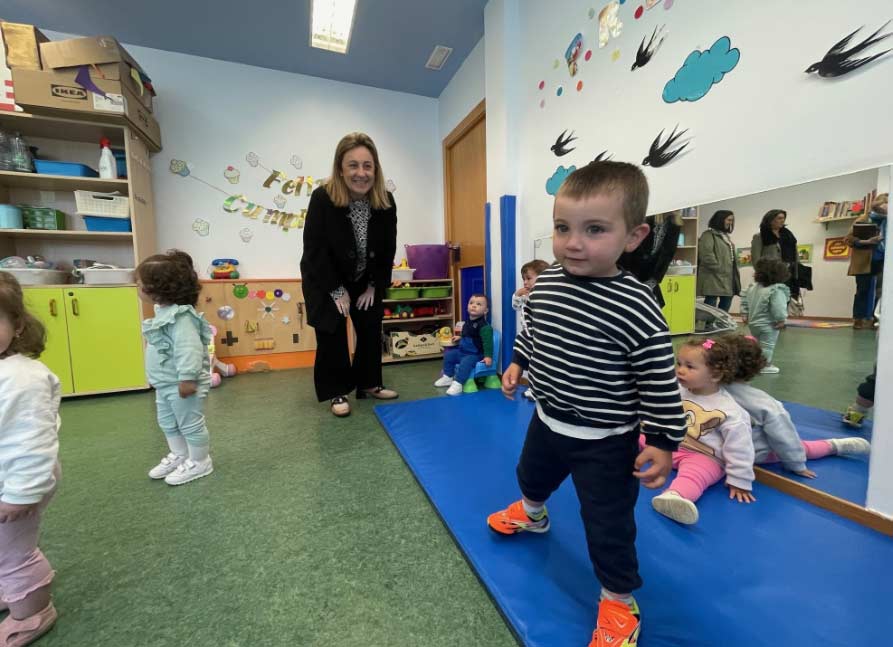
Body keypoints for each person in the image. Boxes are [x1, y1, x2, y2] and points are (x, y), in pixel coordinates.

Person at [487, 162, 686, 647]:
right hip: (548, 418)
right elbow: (535, 332)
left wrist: (662, 441)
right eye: (562, 228)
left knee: (607, 523)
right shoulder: (548, 284)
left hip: (605, 440)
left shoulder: (637, 305)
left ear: (634, 236)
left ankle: (619, 600)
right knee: (530, 476)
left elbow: (659, 379)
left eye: (594, 230)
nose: (573, 243)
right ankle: (533, 514)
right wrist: (519, 362)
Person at [300, 132, 398, 417]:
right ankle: (336, 391)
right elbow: (314, 249)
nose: (361, 173)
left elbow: (388, 248)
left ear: (375, 169)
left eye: (367, 165)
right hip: (326, 276)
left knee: (369, 325)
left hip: (365, 277)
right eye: (353, 165)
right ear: (340, 169)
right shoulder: (323, 197)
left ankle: (369, 384)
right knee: (331, 331)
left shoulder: (385, 200)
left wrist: (373, 286)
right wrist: (335, 290)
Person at [0, 272, 60, 645]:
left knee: (14, 550)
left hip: (18, 481)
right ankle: (10, 585)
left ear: (17, 325)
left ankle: (34, 611)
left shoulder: (22, 377)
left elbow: (33, 440)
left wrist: (21, 493)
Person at [723, 336, 869, 477]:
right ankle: (833, 446)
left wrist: (796, 462)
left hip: (735, 452)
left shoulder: (707, 390)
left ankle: (835, 446)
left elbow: (784, 438)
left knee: (799, 447)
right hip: (750, 453)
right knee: (803, 447)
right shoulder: (765, 404)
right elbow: (784, 438)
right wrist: (796, 464)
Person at [649, 337, 755, 526]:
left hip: (703, 456)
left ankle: (675, 496)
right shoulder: (679, 389)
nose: (680, 370)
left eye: (690, 367)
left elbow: (740, 448)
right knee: (639, 436)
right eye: (679, 363)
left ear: (714, 375)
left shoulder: (729, 411)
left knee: (694, 474)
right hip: (673, 445)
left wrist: (739, 479)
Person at [137, 250, 214, 486]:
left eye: (139, 284)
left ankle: (200, 461)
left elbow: (188, 349)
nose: (137, 287)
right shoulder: (164, 312)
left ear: (157, 289)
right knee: (168, 422)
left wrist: (188, 379)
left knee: (190, 423)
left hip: (181, 384)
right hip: (165, 383)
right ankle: (181, 455)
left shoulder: (181, 317)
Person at [434, 294, 494, 396]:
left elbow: (488, 342)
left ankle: (458, 383)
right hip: (463, 351)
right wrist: (460, 337)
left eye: (478, 304)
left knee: (465, 363)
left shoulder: (484, 327)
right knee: (449, 355)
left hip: (475, 354)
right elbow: (467, 333)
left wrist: (488, 356)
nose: (474, 306)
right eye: (471, 303)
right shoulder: (468, 321)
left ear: (486, 310)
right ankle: (448, 377)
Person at [620, 211, 682, 307]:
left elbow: (668, 254)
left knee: (655, 306)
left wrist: (655, 279)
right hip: (630, 269)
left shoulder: (674, 224)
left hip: (651, 273)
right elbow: (631, 250)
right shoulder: (647, 218)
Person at [740, 258, 789, 374]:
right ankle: (764, 365)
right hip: (768, 325)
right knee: (767, 345)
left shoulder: (752, 287)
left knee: (757, 345)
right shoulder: (776, 289)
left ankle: (756, 362)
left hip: (754, 324)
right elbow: (778, 308)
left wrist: (744, 314)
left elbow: (744, 301)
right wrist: (781, 320)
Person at [845, 193, 887, 330]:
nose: (883, 212)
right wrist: (866, 241)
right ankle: (858, 319)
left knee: (881, 291)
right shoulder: (863, 218)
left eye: (885, 210)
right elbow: (848, 239)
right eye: (880, 209)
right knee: (863, 289)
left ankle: (875, 319)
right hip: (864, 260)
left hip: (884, 261)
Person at [512, 260, 549, 401]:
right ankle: (534, 388)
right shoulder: (526, 295)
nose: (525, 283)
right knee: (534, 365)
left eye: (528, 278)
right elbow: (515, 306)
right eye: (523, 279)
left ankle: (539, 389)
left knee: (541, 365)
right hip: (529, 336)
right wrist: (517, 295)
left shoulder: (544, 296)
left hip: (541, 337)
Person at [696, 210, 740, 312]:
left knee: (727, 299)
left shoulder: (725, 236)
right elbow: (707, 256)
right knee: (711, 301)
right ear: (720, 220)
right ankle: (708, 325)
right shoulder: (708, 235)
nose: (730, 222)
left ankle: (720, 323)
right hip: (713, 276)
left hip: (727, 277)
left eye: (732, 220)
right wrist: (719, 269)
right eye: (729, 220)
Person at [751, 209, 799, 301]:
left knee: (786, 300)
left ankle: (783, 315)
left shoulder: (788, 235)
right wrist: (762, 275)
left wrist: (797, 271)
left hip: (788, 273)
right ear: (770, 220)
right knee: (772, 301)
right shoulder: (760, 236)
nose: (782, 220)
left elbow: (795, 254)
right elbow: (755, 259)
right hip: (770, 276)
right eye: (779, 218)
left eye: (783, 218)